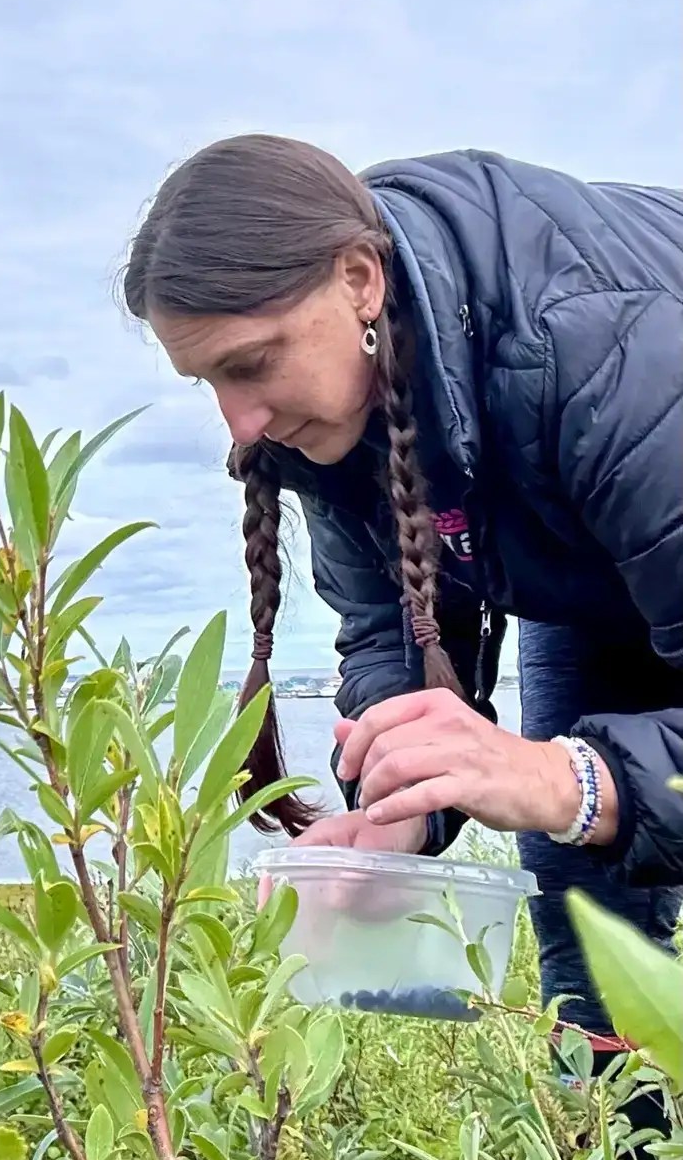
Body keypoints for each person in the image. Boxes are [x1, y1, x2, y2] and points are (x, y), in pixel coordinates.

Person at [122, 135, 683, 1045]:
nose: (241, 422)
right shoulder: (337, 416)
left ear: (360, 280)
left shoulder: (604, 352)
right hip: (586, 578)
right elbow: (391, 628)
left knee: (574, 789)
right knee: (583, 911)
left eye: (252, 363)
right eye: (208, 380)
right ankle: (610, 1126)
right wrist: (403, 812)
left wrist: (564, 777)